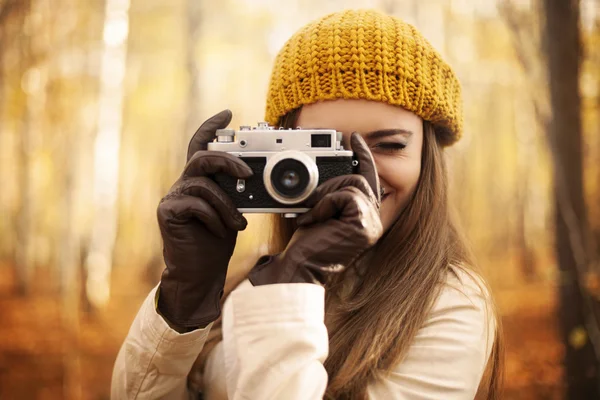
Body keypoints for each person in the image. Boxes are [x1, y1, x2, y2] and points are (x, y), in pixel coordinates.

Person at [111, 8, 504, 400]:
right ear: (277, 157)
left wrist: (293, 280)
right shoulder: (260, 275)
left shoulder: (452, 303)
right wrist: (187, 296)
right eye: (323, 148)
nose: (358, 172)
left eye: (389, 145)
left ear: (427, 158)